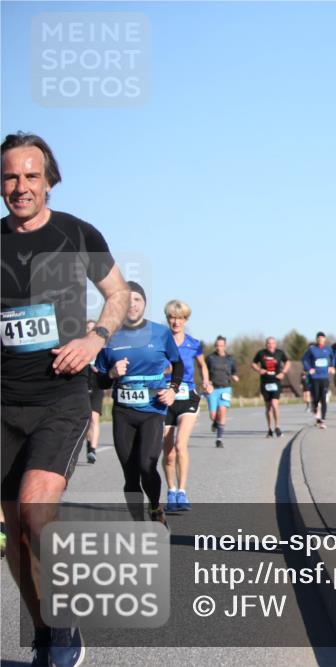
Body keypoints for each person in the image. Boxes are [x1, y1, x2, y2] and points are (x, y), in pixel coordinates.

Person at [2, 132, 130, 666]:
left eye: (32, 176)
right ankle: (45, 633)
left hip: (60, 398)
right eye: (10, 177)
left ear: (49, 180)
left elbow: (118, 293)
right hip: (3, 403)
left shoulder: (77, 233)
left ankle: (65, 628)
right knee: (16, 529)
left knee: (35, 511)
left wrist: (94, 338)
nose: (20, 186)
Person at [95, 282, 181, 528]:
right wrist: (111, 373)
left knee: (147, 464)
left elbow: (178, 365)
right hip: (123, 413)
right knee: (130, 475)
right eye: (127, 300)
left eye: (137, 300)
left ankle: (155, 507)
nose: (132, 305)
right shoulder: (109, 337)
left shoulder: (160, 333)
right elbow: (99, 380)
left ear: (144, 304)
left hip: (153, 410)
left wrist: (173, 390)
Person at [161, 300, 210, 512]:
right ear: (168, 319)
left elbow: (202, 366)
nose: (176, 321)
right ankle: (170, 491)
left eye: (180, 318)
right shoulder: (161, 343)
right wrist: (166, 371)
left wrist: (206, 382)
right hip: (165, 398)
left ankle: (182, 491)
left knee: (181, 444)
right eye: (172, 317)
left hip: (188, 396)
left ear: (185, 320)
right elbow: (155, 367)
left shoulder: (194, 343)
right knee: (169, 452)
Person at [205, 336, 239, 448]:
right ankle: (215, 422)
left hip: (225, 388)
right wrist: (206, 382)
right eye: (217, 345)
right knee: (213, 415)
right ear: (215, 346)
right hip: (212, 389)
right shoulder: (210, 358)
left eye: (221, 345)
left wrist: (235, 377)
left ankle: (219, 439)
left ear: (225, 346)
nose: (219, 348)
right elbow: (204, 372)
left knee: (223, 411)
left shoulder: (230, 359)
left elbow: (234, 372)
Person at [251, 337, 289, 437]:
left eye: (272, 343)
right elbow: (253, 363)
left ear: (275, 344)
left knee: (274, 403)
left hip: (276, 381)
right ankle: (269, 429)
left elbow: (288, 362)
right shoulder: (261, 353)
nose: (270, 345)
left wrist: (283, 372)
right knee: (268, 407)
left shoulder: (280, 353)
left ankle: (277, 426)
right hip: (265, 382)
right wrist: (259, 370)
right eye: (268, 343)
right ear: (266, 344)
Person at [302, 331, 335, 429]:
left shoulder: (328, 349)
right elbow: (304, 360)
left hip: (324, 377)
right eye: (318, 338)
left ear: (324, 339)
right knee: (315, 398)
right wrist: (309, 369)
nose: (320, 340)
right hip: (315, 377)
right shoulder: (312, 349)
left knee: (323, 398)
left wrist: (331, 366)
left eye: (322, 338)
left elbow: (333, 358)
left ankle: (323, 420)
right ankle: (315, 409)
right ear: (316, 339)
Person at [84, 320, 104, 463]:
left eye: (93, 328)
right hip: (83, 382)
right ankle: (88, 443)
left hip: (96, 383)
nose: (90, 331)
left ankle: (93, 449)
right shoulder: (80, 346)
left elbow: (106, 366)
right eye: (88, 328)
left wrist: (100, 369)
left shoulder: (101, 348)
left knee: (94, 417)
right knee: (85, 419)